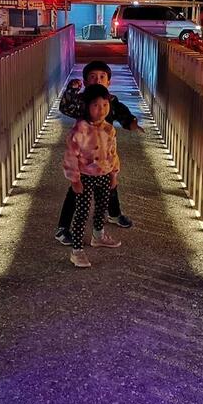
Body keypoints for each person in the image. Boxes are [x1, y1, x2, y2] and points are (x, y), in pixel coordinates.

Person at [55, 60, 143, 246]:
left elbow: (122, 113)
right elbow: (65, 107)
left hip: (105, 155)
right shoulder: (82, 102)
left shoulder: (110, 101)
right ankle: (63, 227)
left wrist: (131, 122)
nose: (98, 80)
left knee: (111, 185)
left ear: (109, 82)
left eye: (102, 77)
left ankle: (114, 213)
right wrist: (71, 90)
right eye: (93, 77)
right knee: (75, 192)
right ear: (86, 82)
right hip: (84, 162)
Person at [63, 84, 122, 267]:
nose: (101, 109)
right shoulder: (80, 131)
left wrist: (114, 174)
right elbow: (70, 156)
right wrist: (75, 179)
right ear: (86, 106)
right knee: (82, 212)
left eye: (105, 105)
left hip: (104, 174)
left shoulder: (108, 129)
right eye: (96, 105)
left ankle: (98, 235)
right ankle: (77, 250)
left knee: (101, 207)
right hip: (85, 176)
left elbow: (113, 152)